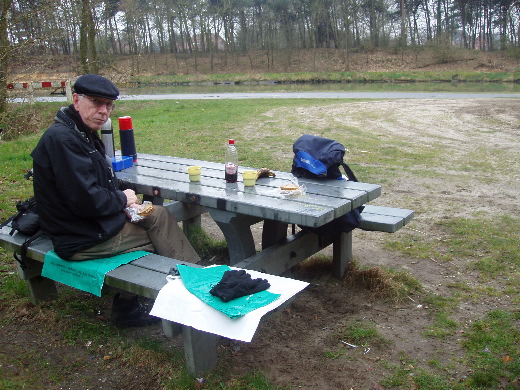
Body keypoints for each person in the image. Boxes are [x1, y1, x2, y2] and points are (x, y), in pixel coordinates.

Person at [31, 74, 200, 327]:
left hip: (87, 224)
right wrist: (122, 198)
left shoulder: (79, 131)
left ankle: (166, 291)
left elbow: (94, 183)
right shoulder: (63, 140)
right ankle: (191, 294)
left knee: (159, 214)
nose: (103, 111)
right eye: (96, 102)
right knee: (161, 238)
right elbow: (85, 201)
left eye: (108, 105)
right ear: (76, 100)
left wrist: (127, 201)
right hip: (79, 237)